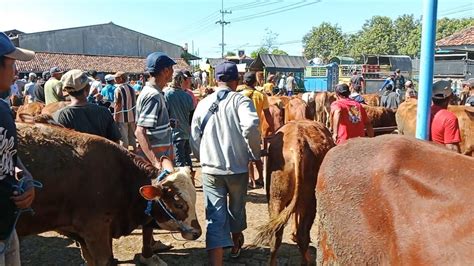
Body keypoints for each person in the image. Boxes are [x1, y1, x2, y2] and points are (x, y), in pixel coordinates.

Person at [190, 61, 260, 265]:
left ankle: (216, 262)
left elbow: (194, 137)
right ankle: (237, 244)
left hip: (211, 169)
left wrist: (202, 158)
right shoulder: (241, 101)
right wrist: (253, 152)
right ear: (236, 81)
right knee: (237, 208)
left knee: (215, 215)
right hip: (237, 167)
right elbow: (251, 126)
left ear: (216, 80)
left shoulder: (203, 103)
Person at [135, 51, 175, 265]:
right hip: (157, 160)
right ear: (165, 71)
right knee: (153, 204)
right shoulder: (152, 95)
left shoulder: (153, 92)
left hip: (159, 156)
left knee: (155, 205)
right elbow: (141, 131)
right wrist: (155, 162)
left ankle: (150, 242)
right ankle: (147, 253)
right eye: (171, 70)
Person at [0, 31, 36, 266]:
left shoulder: (3, 109)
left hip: (6, 226)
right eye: (12, 64)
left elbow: (9, 155)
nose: (16, 74)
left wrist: (24, 175)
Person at [53, 69, 121, 142]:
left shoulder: (59, 116)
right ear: (88, 88)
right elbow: (115, 142)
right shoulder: (104, 112)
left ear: (66, 91)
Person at [239, 71, 274, 189]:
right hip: (256, 130)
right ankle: (261, 179)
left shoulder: (239, 95)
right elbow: (267, 114)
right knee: (256, 155)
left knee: (246, 156)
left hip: (242, 130)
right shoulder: (261, 95)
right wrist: (273, 128)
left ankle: (251, 180)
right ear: (255, 82)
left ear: (244, 82)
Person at [164, 70, 195, 183]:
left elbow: (165, 113)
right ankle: (191, 179)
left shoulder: (167, 94)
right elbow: (192, 112)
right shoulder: (187, 96)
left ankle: (183, 182)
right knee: (187, 158)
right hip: (186, 131)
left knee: (179, 160)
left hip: (175, 132)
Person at [430, 80, 461, 153]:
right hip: (440, 158)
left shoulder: (425, 113)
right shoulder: (449, 118)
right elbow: (452, 149)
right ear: (450, 97)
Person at [113, 71, 137, 151]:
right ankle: (135, 153)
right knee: (132, 137)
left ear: (120, 78)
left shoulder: (118, 89)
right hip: (132, 116)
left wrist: (115, 118)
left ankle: (125, 154)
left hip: (122, 117)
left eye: (116, 78)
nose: (114, 79)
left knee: (124, 138)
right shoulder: (131, 88)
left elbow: (118, 105)